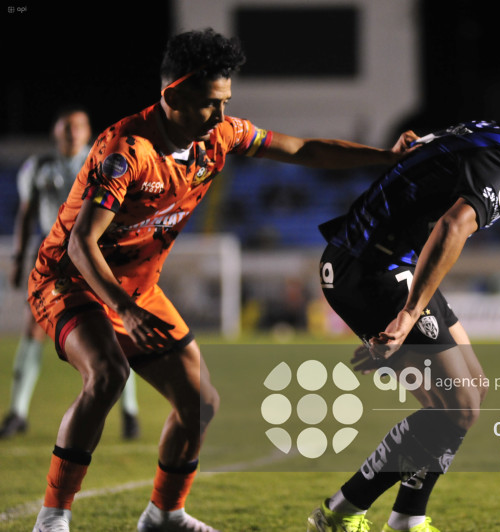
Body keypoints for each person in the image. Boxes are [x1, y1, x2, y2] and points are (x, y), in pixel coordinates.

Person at [27, 28, 417, 532]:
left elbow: (299, 150)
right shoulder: (125, 152)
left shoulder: (220, 137)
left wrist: (385, 159)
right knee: (107, 376)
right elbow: (81, 244)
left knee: (200, 404)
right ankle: (52, 518)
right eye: (212, 103)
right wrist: (123, 309)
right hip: (70, 281)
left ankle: (164, 515)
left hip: (136, 290)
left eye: (226, 101)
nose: (222, 115)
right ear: (174, 97)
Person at [308, 85, 500, 532]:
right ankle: (346, 513)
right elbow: (455, 224)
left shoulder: (497, 134)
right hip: (370, 267)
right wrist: (407, 316)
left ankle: (404, 518)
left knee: (470, 393)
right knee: (460, 404)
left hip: (386, 262)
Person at [0, 107, 142, 441]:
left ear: (87, 132)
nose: (71, 134)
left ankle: (130, 411)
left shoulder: (101, 162)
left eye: (77, 128)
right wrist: (20, 257)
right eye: (66, 128)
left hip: (92, 256)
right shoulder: (38, 168)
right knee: (33, 327)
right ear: (55, 132)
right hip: (52, 260)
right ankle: (18, 411)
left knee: (113, 328)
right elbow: (25, 214)